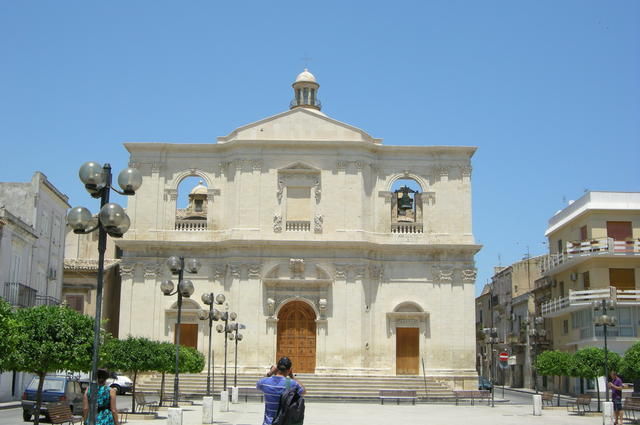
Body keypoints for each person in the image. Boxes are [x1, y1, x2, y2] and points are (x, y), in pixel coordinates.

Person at [256, 357, 306, 425]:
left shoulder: (265, 382)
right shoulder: (290, 383)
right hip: (283, 422)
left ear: (277, 368)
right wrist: (291, 376)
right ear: (290, 369)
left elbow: (258, 384)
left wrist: (270, 373)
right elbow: (303, 391)